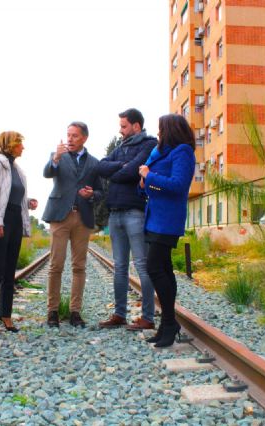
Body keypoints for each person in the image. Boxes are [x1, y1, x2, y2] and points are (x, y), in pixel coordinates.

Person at [97, 108, 157, 331]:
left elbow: (133, 172)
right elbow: (100, 167)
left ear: (136, 126)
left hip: (136, 212)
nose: (120, 130)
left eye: (123, 126)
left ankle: (148, 318)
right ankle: (119, 314)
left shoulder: (149, 144)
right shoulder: (119, 147)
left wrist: (120, 171)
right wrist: (119, 168)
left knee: (142, 265)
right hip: (115, 213)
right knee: (120, 266)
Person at [138, 114, 195, 348]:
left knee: (154, 268)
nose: (159, 133)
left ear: (171, 129)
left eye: (162, 129)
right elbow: (150, 185)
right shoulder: (162, 152)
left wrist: (149, 176)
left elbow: (179, 185)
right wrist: (144, 184)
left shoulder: (182, 151)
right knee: (163, 269)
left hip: (168, 220)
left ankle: (169, 323)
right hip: (155, 218)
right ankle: (167, 324)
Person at [42, 122, 103, 328]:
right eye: (68, 135)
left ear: (84, 138)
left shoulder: (94, 163)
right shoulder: (58, 156)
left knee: (79, 266)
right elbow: (47, 173)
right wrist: (56, 158)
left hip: (82, 218)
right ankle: (53, 311)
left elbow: (101, 191)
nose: (70, 139)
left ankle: (75, 312)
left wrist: (92, 194)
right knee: (55, 265)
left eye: (75, 136)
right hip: (60, 216)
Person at [0, 131, 38, 337]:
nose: (23, 147)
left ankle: (5, 315)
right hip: (0, 221)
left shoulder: (18, 170)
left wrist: (27, 202)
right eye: (20, 143)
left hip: (14, 220)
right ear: (10, 145)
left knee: (9, 271)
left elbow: (12, 195)